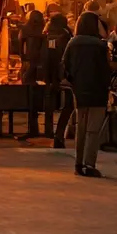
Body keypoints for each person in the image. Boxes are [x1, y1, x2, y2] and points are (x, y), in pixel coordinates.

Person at [63, 11, 113, 177]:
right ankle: (89, 164)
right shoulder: (100, 45)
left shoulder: (72, 43)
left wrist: (74, 80)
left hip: (80, 91)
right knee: (93, 129)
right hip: (98, 91)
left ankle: (78, 164)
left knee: (81, 128)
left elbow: (65, 66)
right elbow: (107, 69)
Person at [17, 9, 47, 140]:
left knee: (30, 97)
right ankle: (40, 128)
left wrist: (23, 61)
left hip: (29, 65)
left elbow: (19, 48)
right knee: (40, 97)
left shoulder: (25, 29)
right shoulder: (44, 30)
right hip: (41, 66)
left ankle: (33, 128)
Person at [43, 12, 72, 141]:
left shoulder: (49, 36)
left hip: (52, 73)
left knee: (50, 101)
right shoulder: (65, 36)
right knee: (68, 105)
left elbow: (48, 57)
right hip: (64, 75)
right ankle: (59, 133)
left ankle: (49, 130)